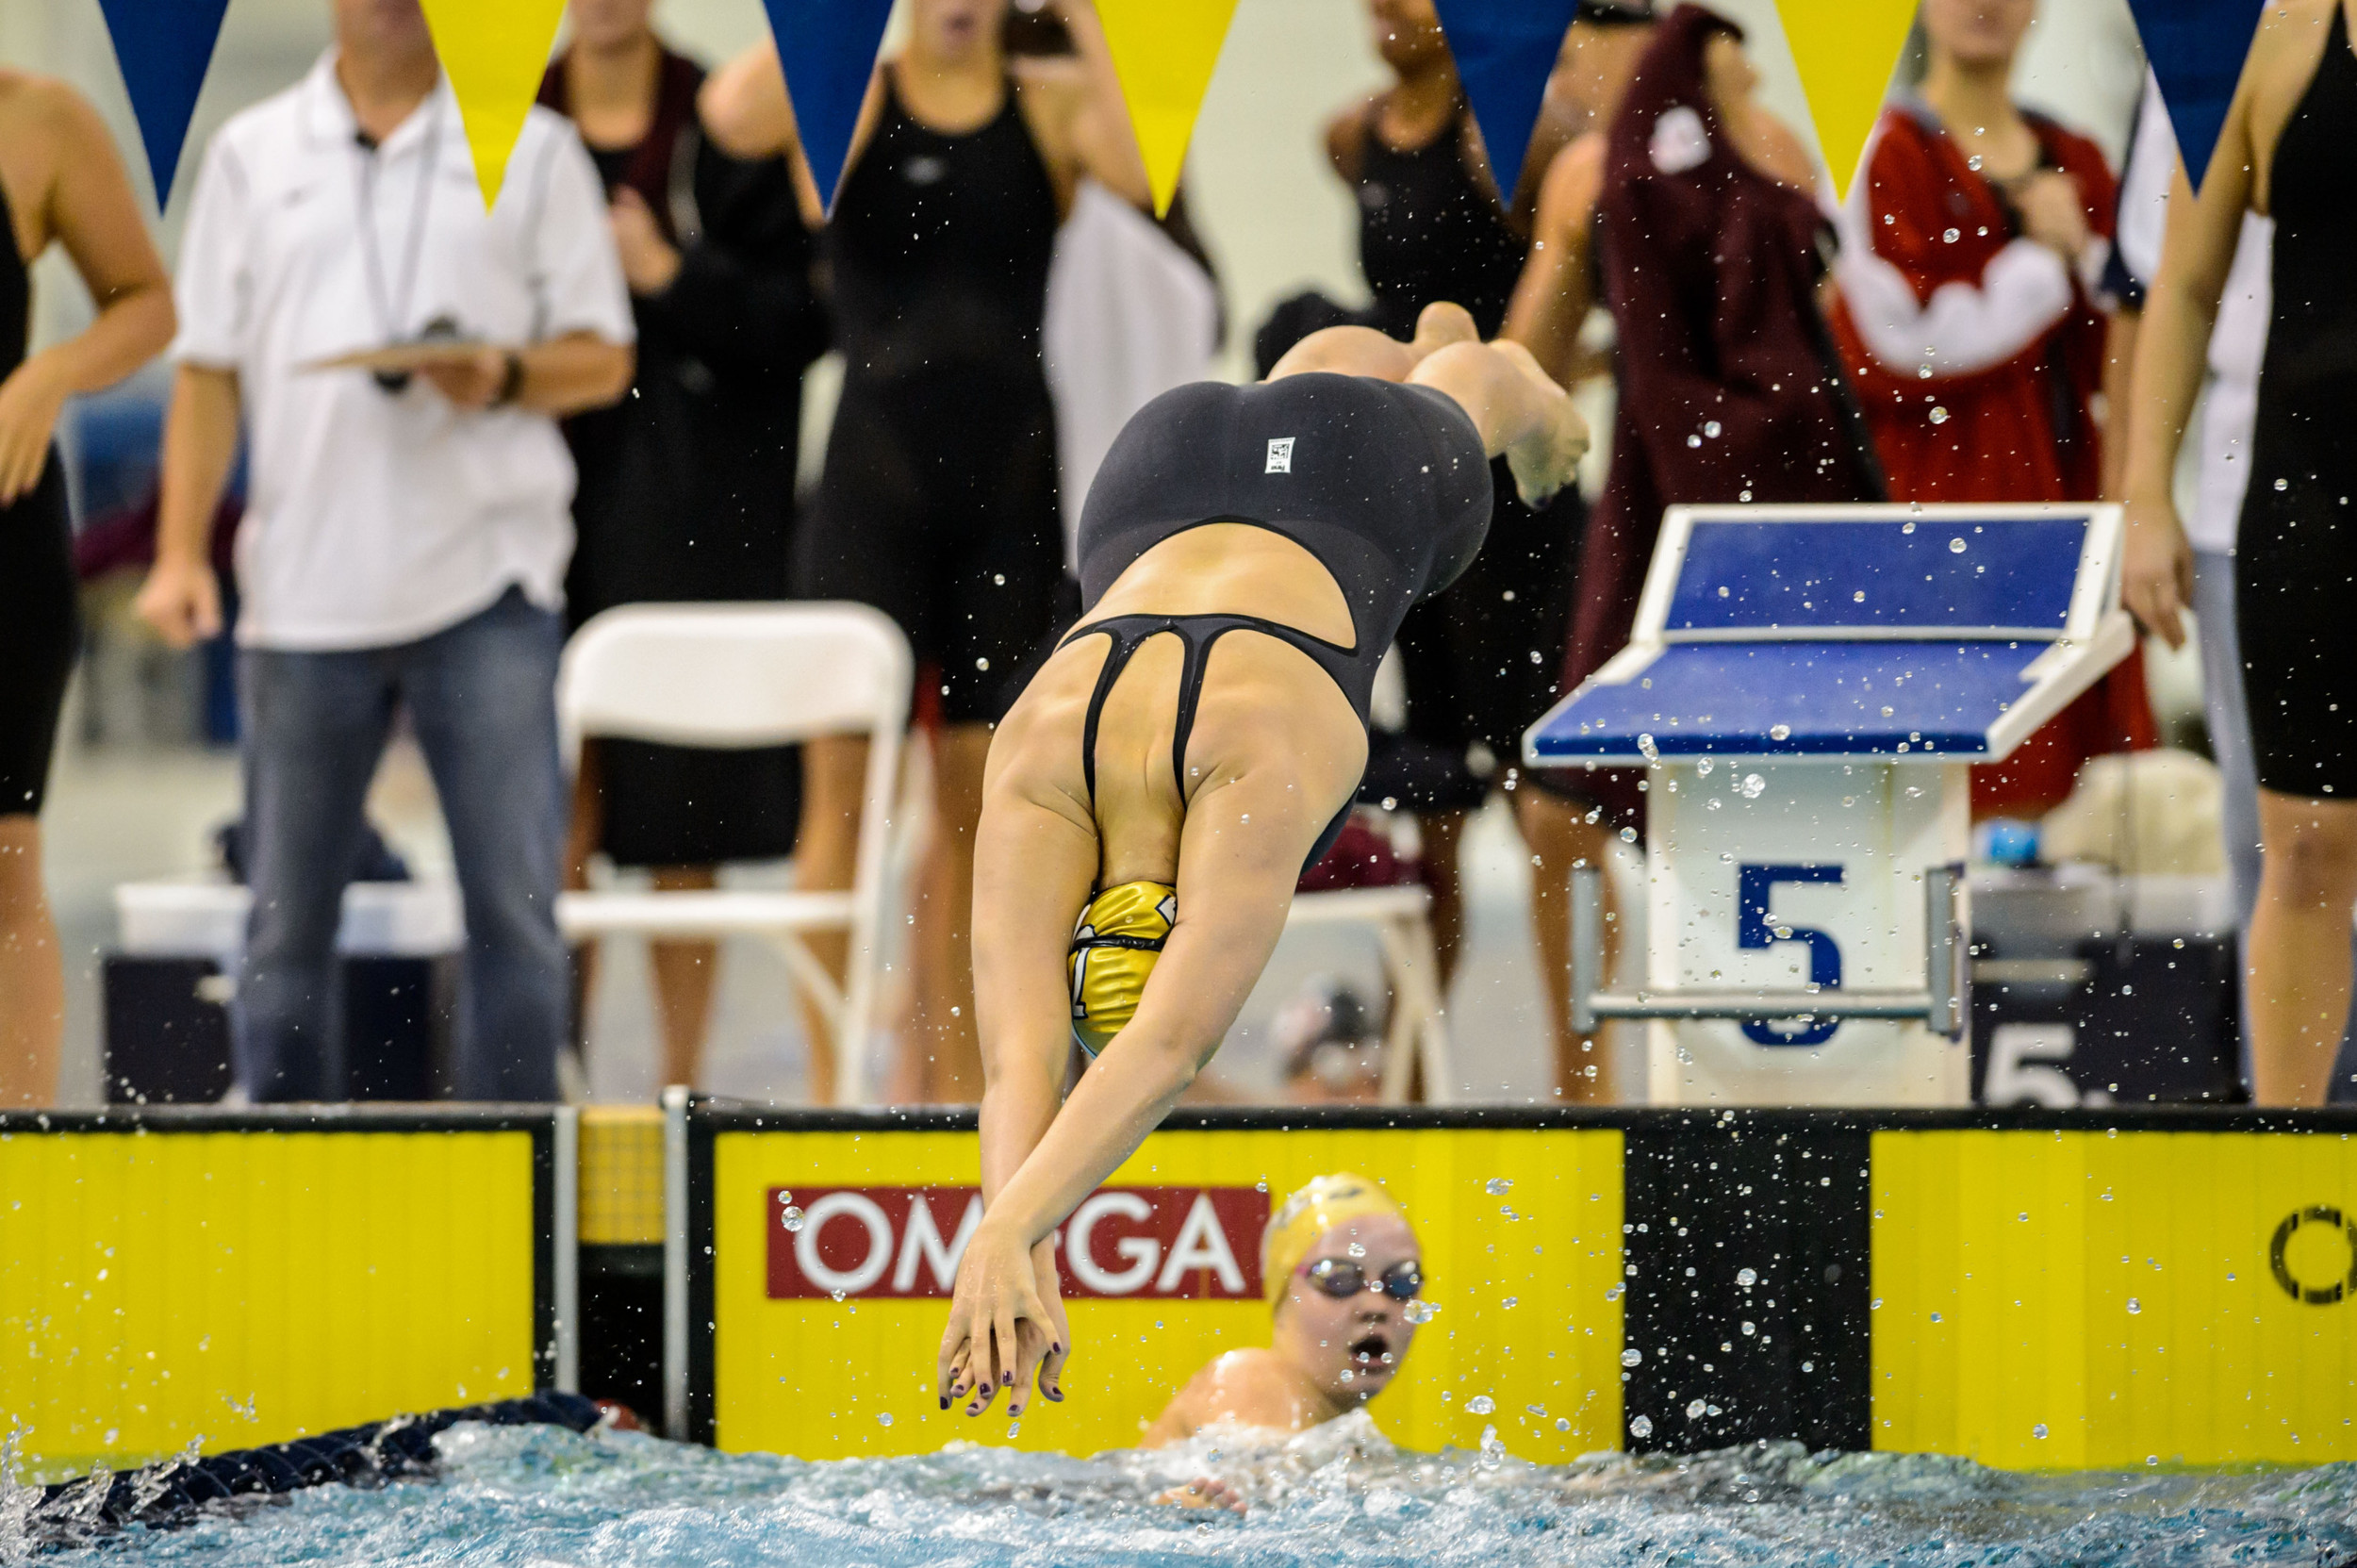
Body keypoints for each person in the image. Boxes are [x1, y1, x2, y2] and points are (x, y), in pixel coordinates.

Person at [933, 305, 1587, 1415]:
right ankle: (1373, 364)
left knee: (1490, 406)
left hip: (1359, 490)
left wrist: (1017, 1225)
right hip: (1161, 466)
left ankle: (1508, 383)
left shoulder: (1259, 772)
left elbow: (1165, 1046)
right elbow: (1023, 1060)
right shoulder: (1038, 750)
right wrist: (1009, 1235)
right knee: (1321, 392)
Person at [136, 0, 634, 1102]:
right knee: (283, 922)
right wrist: (178, 553)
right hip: (305, 596)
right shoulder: (252, 153)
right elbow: (207, 369)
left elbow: (602, 358)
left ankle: (519, 1190)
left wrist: (501, 375)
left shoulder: (531, 148)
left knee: (514, 913)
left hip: (488, 581)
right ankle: (288, 1180)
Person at [699, 0, 1147, 1104]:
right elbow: (729, 113)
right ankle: (822, 1083)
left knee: (984, 817)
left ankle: (954, 1079)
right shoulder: (850, 98)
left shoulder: (1048, 110)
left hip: (1007, 497)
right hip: (870, 493)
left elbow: (1144, 176)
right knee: (839, 810)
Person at [1280, 0, 1606, 1102]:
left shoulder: (1513, 133)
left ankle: (1582, 1079)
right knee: (1433, 805)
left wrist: (1561, 386)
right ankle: (1413, 1076)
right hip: (1412, 509)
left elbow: (1583, 282)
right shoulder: (1350, 136)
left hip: (1515, 505)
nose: (1386, 7)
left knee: (1547, 797)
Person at [540, 0, 828, 1091]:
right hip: (538, 508)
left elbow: (805, 323)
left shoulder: (726, 125)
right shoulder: (510, 126)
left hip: (698, 517)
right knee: (550, 811)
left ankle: (678, 1080)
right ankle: (548, 1078)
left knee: (679, 828)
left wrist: (669, 274)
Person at [1830, 0, 2154, 821]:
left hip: (2061, 495)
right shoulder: (1887, 154)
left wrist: (2080, 256)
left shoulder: (2078, 159)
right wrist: (2043, 264)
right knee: (1947, 773)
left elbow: (2125, 348)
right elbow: (1894, 348)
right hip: (1934, 516)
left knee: (2062, 772)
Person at [2118, 0, 2357, 1106]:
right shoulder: (2274, 37)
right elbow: (2185, 281)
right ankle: (2291, 1168)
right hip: (2312, 492)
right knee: (2302, 846)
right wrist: (2143, 500)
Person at [0, 74, 176, 1105]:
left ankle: (18, 1171)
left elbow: (148, 303)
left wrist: (49, 372)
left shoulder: (37, 121)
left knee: (7, 860)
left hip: (5, 526)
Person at [1147, 1173, 1425, 1512]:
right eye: (1339, 1278)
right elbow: (1264, 1507)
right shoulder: (1252, 1377)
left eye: (1400, 1282)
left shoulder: (1345, 1439)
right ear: (1282, 1297)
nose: (1375, 1306)